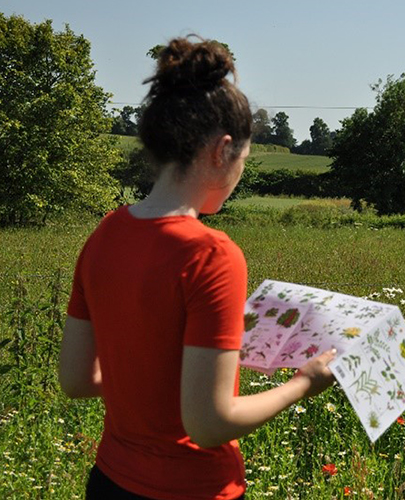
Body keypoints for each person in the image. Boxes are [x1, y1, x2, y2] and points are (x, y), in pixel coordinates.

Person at [58, 36, 336, 500]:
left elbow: (77, 380)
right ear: (221, 150)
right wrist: (302, 385)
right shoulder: (212, 254)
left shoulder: (105, 235)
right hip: (193, 489)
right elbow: (209, 425)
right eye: (244, 160)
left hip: (109, 482)